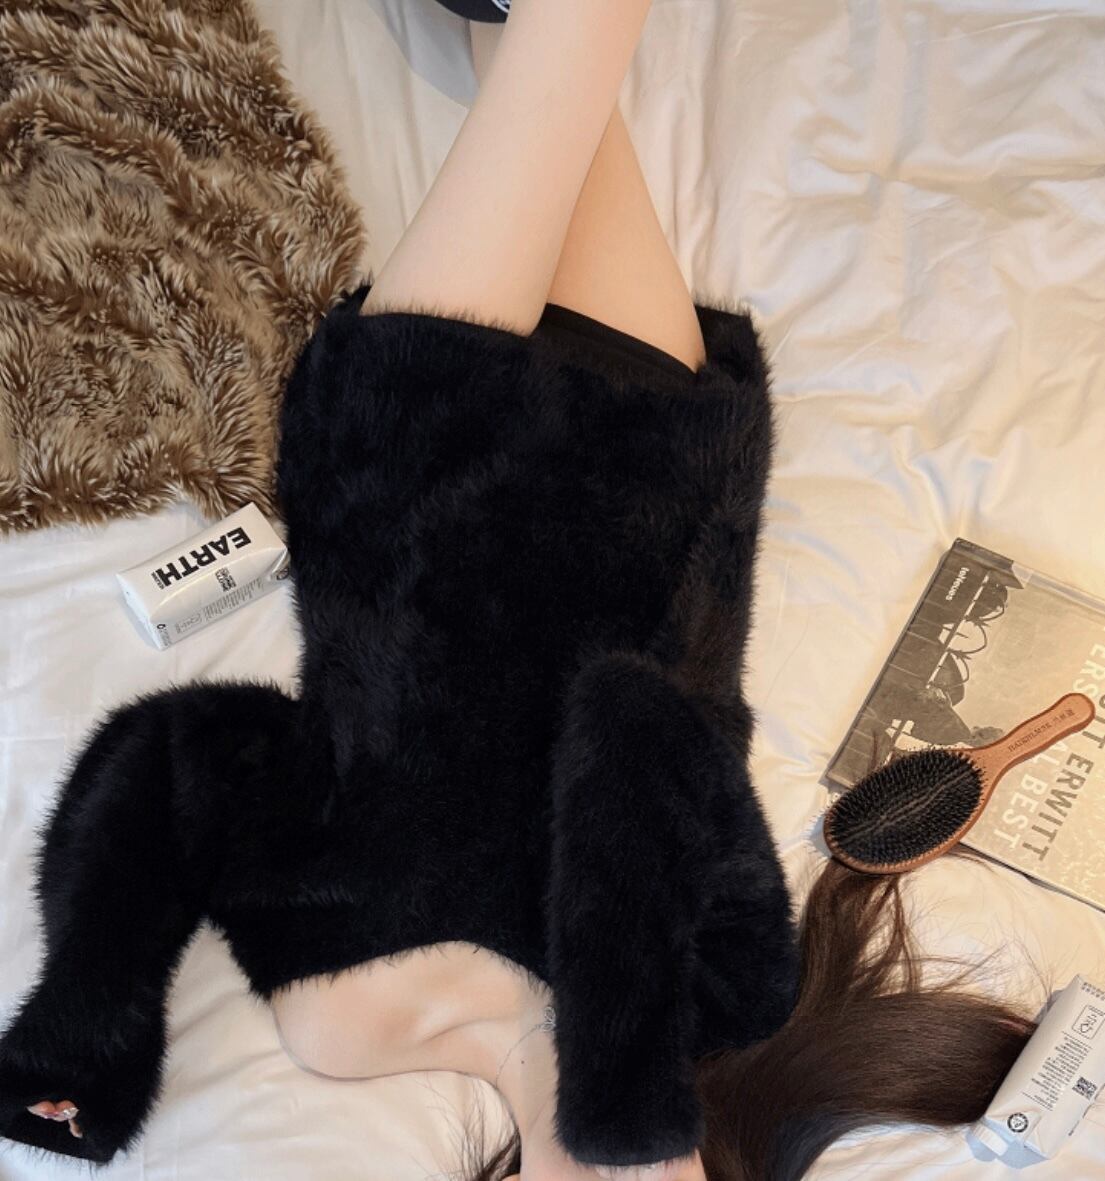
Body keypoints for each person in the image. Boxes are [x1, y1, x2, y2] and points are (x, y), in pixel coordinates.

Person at [1, 2, 1038, 1179]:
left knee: (561, 39)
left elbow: (190, 757)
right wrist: (620, 1054)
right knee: (537, 41)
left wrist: (85, 1026)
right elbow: (644, 729)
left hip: (420, 462)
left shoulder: (339, 1024)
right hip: (650, 465)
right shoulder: (729, 990)